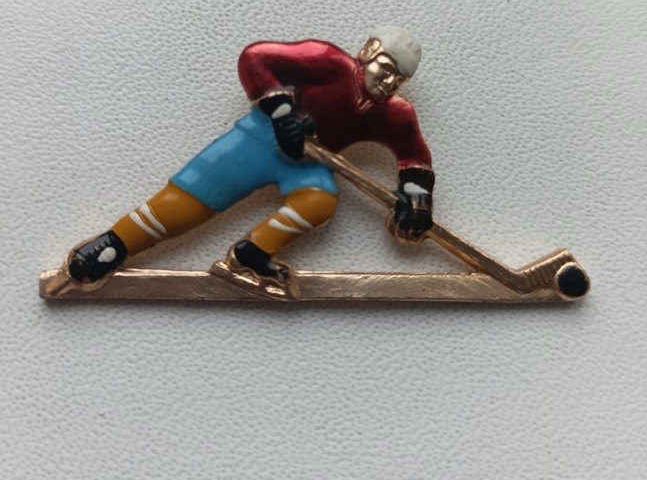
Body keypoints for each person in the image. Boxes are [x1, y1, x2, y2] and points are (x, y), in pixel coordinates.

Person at [65, 25, 435, 297]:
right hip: (260, 138)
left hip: (308, 160)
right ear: (368, 51)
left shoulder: (394, 112)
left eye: (398, 80)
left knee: (319, 201)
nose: (389, 83)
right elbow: (255, 57)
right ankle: (113, 245)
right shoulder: (327, 61)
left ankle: (251, 254)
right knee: (189, 202)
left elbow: (413, 154)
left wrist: (417, 201)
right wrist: (283, 114)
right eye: (386, 69)